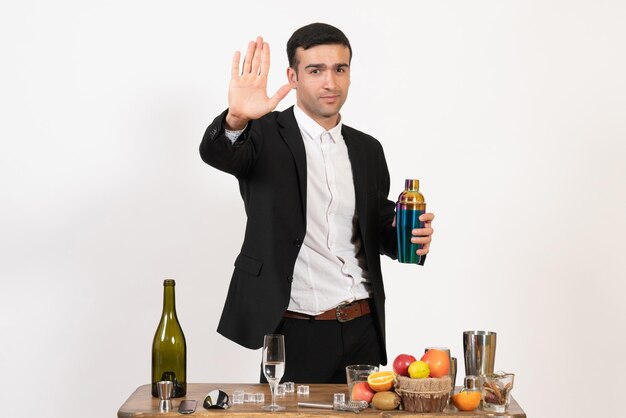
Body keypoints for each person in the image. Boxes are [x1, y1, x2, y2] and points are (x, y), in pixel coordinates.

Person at [200, 23, 435, 383]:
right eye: (316, 71)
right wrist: (237, 118)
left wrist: (409, 234)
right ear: (293, 76)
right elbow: (219, 153)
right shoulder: (262, 134)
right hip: (295, 330)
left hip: (362, 327)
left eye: (340, 69)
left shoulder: (367, 149)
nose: (330, 82)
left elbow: (372, 228)